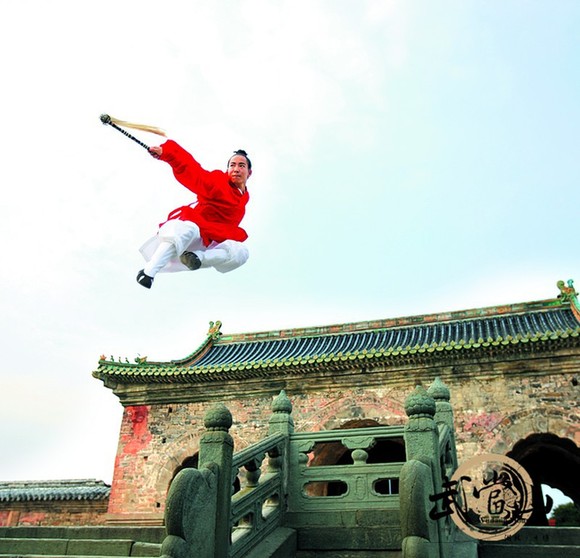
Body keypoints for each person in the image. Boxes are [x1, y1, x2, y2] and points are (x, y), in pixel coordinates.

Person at [136, 141, 252, 289]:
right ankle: (147, 273)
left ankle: (195, 258)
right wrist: (168, 154)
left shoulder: (242, 200)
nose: (236, 169)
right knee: (190, 228)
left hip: (203, 245)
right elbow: (195, 172)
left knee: (241, 251)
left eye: (241, 166)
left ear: (249, 172)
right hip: (185, 233)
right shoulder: (218, 183)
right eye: (232, 165)